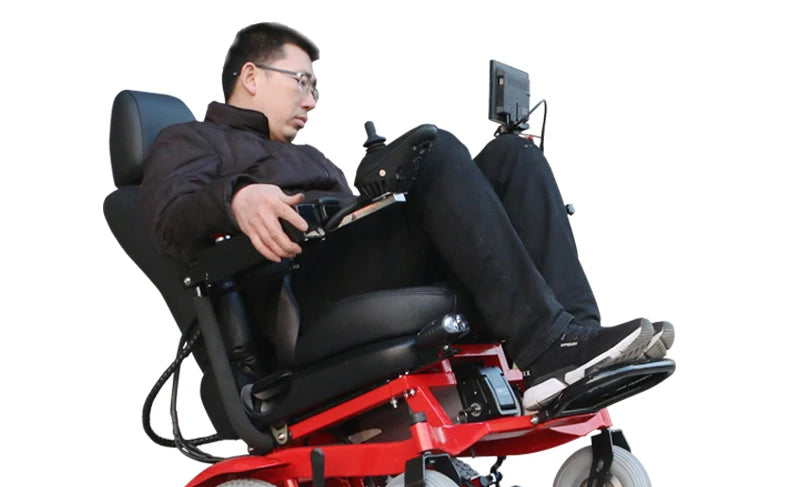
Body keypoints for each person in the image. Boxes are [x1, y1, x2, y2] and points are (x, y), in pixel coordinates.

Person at [141, 22, 674, 411]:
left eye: (315, 87)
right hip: (300, 288)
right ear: (251, 76)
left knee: (515, 157)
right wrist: (235, 197)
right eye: (301, 81)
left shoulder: (310, 156)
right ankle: (549, 345)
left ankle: (576, 337)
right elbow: (168, 218)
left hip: (354, 259)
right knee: (432, 150)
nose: (311, 100)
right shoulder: (191, 140)